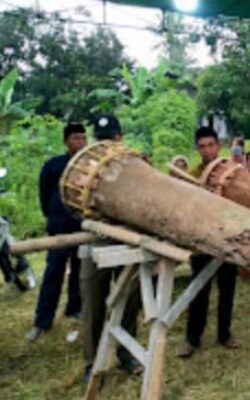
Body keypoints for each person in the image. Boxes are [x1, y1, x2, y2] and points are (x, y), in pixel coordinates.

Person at [81, 114, 143, 380]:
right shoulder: (84, 166)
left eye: (111, 137)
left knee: (130, 300)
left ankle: (125, 355)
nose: (106, 143)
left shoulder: (134, 163)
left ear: (121, 136)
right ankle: (92, 362)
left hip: (128, 239)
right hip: (96, 240)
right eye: (101, 138)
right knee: (93, 303)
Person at [178, 126, 240, 358]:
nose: (207, 150)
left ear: (219, 146)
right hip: (203, 241)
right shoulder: (192, 175)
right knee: (198, 290)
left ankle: (224, 334)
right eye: (202, 146)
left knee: (227, 289)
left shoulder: (233, 172)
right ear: (197, 148)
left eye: (210, 145)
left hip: (227, 239)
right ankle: (192, 339)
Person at [26, 123, 87, 342]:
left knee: (80, 271)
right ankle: (42, 320)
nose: (80, 143)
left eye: (83, 138)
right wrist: (52, 216)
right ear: (65, 141)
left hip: (82, 226)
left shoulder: (89, 166)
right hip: (59, 227)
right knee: (54, 273)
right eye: (75, 138)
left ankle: (74, 308)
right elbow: (44, 195)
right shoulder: (53, 165)